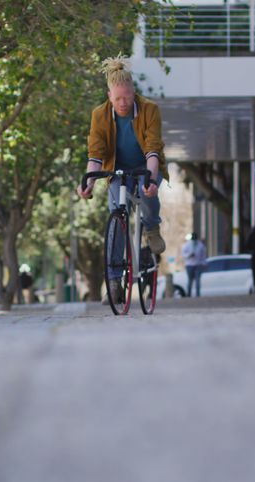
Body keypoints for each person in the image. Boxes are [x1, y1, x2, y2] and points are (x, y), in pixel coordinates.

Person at [78, 55, 168, 305]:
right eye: (117, 98)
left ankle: (151, 227)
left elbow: (153, 150)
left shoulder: (149, 110)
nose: (123, 102)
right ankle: (115, 282)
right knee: (117, 216)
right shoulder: (100, 115)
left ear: (133, 91)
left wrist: (150, 179)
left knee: (145, 189)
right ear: (109, 95)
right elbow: (95, 154)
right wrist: (89, 182)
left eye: (127, 96)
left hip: (145, 165)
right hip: (117, 169)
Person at [181, 232, 207, 297]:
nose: (194, 241)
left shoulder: (200, 245)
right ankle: (189, 294)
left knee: (198, 280)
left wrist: (204, 263)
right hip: (189, 265)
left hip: (198, 265)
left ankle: (197, 295)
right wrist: (189, 255)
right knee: (190, 280)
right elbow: (183, 254)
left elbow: (203, 255)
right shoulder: (186, 245)